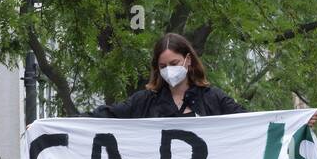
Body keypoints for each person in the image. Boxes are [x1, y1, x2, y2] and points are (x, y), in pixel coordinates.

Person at [92, 33, 246, 120]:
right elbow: (107, 115)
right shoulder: (143, 101)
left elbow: (249, 122)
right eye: (163, 66)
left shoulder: (213, 98)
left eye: (174, 63)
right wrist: (70, 124)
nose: (169, 70)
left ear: (188, 60)